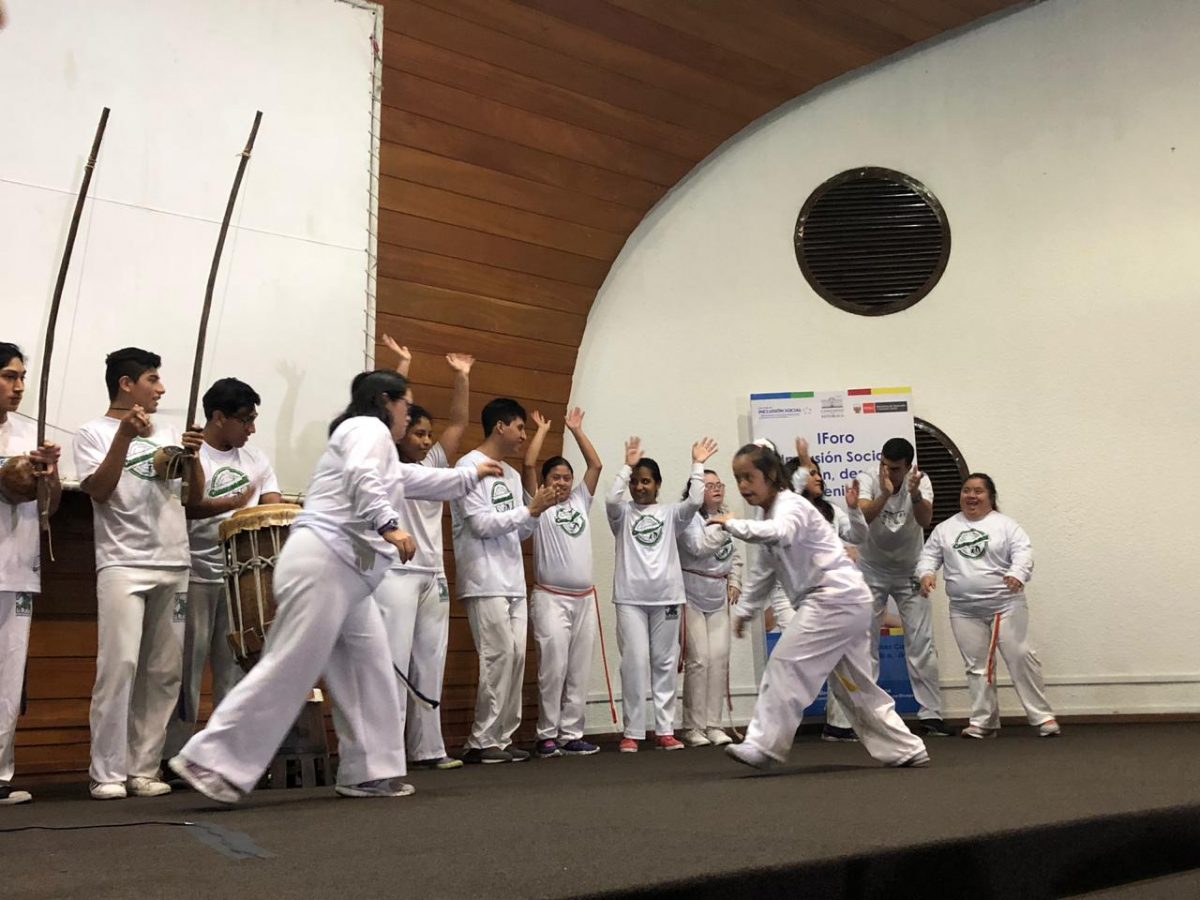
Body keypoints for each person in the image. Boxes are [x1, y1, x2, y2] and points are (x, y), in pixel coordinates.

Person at [170, 370, 503, 802]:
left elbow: (406, 480)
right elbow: (364, 476)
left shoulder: (372, 443)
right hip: (324, 563)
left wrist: (467, 478)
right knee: (291, 665)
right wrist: (389, 525)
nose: (408, 416)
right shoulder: (367, 429)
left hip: (347, 575)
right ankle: (211, 759)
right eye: (405, 405)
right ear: (385, 402)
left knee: (371, 669)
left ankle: (367, 771)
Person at [711, 442, 929, 770]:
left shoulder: (790, 506)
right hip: (847, 600)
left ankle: (763, 744)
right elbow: (764, 571)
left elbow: (778, 532)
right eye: (737, 478)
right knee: (854, 687)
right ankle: (906, 748)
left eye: (748, 477)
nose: (742, 485)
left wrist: (731, 524)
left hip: (833, 599)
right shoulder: (769, 512)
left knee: (785, 664)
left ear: (770, 476)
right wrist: (745, 611)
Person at [74, 347, 202, 800]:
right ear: (126, 384)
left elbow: (191, 497)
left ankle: (144, 767)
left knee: (164, 671)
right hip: (122, 562)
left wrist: (193, 457)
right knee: (120, 666)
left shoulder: (166, 431)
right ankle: (106, 771)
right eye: (152, 379)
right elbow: (99, 490)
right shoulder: (91, 432)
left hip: (174, 560)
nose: (161, 388)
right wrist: (124, 438)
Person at [160, 378, 282, 763]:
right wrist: (232, 503)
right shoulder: (190, 453)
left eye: (253, 419)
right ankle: (174, 755)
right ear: (218, 417)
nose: (252, 428)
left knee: (234, 669)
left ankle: (226, 756)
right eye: (245, 420)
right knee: (187, 670)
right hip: (194, 574)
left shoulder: (256, 460)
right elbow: (189, 506)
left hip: (241, 580)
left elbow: (272, 507)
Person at [373, 337, 474, 770]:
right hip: (396, 574)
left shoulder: (432, 465)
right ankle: (389, 754)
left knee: (430, 663)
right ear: (399, 433)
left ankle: (429, 748)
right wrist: (403, 365)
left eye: (428, 434)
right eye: (417, 433)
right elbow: (386, 413)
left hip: (434, 575)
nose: (426, 440)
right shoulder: (385, 464)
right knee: (394, 664)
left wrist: (462, 377)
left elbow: (460, 421)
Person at [451, 399, 556, 764]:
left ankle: (503, 736)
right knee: (496, 656)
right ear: (500, 426)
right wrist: (528, 510)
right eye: (520, 428)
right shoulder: (468, 467)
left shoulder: (510, 475)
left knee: (515, 657)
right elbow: (480, 524)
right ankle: (480, 741)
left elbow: (522, 530)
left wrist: (535, 512)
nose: (524, 436)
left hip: (512, 578)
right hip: (483, 578)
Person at [917, 473, 1059, 739]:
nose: (971, 496)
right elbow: (928, 556)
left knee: (1019, 655)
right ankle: (984, 721)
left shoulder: (1006, 526)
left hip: (1005, 604)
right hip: (964, 610)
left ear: (991, 497)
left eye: (978, 491)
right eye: (966, 490)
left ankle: (1042, 716)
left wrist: (1017, 574)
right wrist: (925, 574)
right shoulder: (946, 528)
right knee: (976, 665)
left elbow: (1023, 553)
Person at [606, 435, 718, 753]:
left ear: (657, 485)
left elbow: (694, 501)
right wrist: (625, 468)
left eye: (646, 481)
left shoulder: (671, 514)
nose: (639, 487)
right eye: (635, 482)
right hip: (630, 599)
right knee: (634, 662)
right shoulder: (622, 515)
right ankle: (632, 732)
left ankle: (665, 730)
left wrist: (698, 464)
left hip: (667, 598)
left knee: (665, 663)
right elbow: (611, 499)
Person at [855, 437, 952, 737]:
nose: (888, 472)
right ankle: (869, 715)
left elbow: (925, 520)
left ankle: (931, 714)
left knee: (921, 642)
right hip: (872, 569)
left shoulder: (920, 481)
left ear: (908, 467)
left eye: (895, 468)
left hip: (910, 569)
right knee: (865, 643)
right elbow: (863, 516)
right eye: (884, 465)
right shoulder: (868, 478)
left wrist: (915, 495)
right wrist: (885, 493)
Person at [0, 343, 62, 806]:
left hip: (19, 569)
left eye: (22, 377)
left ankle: (0, 774)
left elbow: (50, 507)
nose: (19, 386)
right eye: (9, 376)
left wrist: (49, 474)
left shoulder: (29, 435)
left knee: (8, 678)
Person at [522, 407, 603, 758]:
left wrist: (576, 430)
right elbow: (528, 464)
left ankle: (571, 734)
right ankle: (546, 735)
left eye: (567, 477)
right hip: (550, 598)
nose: (563, 482)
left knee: (578, 670)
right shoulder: (539, 503)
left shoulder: (581, 500)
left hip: (584, 599)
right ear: (544, 482)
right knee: (552, 668)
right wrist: (542, 431)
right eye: (556, 477)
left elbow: (595, 465)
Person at [677, 470, 743, 748]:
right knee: (699, 660)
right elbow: (698, 547)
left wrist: (735, 580)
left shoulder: (726, 516)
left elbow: (735, 554)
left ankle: (714, 724)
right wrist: (723, 526)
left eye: (719, 484)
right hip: (691, 594)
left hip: (718, 596)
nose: (716, 489)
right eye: (709, 485)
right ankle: (693, 726)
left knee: (719, 659)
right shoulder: (688, 518)